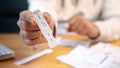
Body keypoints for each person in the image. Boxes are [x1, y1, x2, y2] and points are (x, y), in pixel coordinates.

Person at [17, 0, 120, 46]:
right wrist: (44, 24)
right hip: (51, 43)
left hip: (88, 43)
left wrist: (96, 28)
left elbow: (117, 20)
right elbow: (41, 6)